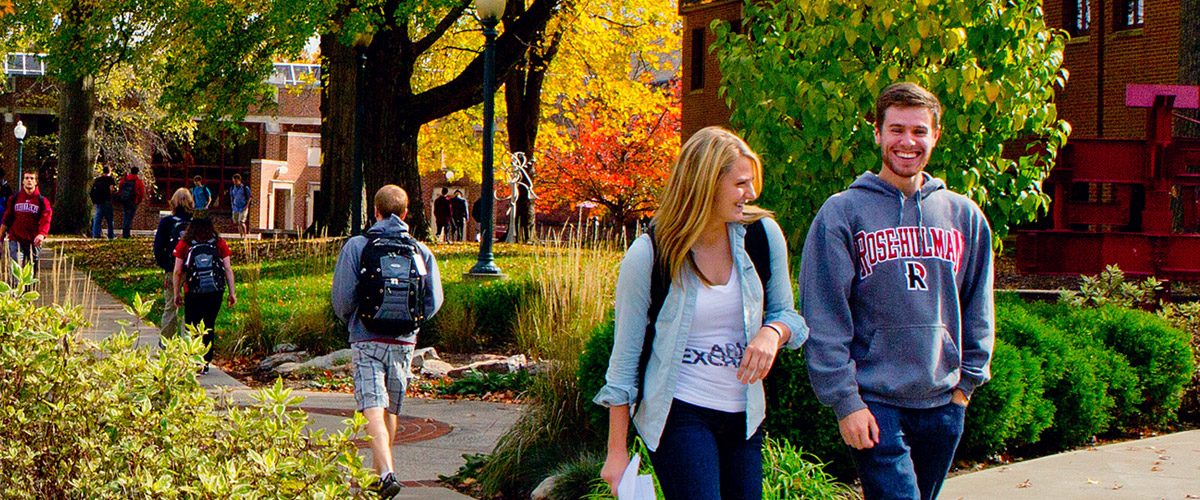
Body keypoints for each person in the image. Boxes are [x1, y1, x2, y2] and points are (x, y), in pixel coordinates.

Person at [799, 82, 995, 500]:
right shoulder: (843, 212)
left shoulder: (964, 215)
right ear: (877, 134)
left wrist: (966, 386)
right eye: (896, 129)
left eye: (919, 131)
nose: (908, 142)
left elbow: (978, 302)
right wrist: (845, 402)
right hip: (875, 401)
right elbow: (825, 312)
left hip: (943, 400)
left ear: (936, 136)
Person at [594, 127, 807, 500]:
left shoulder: (763, 236)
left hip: (744, 416)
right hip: (679, 414)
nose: (751, 194)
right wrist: (616, 452)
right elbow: (624, 360)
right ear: (706, 183)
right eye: (741, 183)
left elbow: (789, 316)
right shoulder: (650, 255)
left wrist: (771, 333)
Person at [332, 185, 443, 499]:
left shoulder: (357, 245)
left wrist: (353, 323)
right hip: (404, 344)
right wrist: (412, 326)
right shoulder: (420, 251)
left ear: (375, 212)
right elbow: (434, 299)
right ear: (406, 213)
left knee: (372, 409)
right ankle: (380, 473)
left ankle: (386, 473)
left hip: (367, 338)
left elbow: (342, 298)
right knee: (389, 410)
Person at [173, 216, 236, 375]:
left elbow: (177, 271)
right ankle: (206, 362)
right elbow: (228, 269)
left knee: (191, 325)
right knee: (208, 325)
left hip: (192, 290)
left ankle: (192, 360)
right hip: (215, 291)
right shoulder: (218, 242)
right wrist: (232, 292)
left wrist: (176, 293)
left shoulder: (186, 243)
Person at [154, 188, 194, 343]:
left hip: (172, 270)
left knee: (170, 307)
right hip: (193, 272)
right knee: (190, 309)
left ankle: (166, 344)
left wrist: (166, 265)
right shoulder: (195, 223)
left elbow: (158, 248)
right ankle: (187, 345)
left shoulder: (166, 223)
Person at [0, 170, 52, 276]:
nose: (29, 181)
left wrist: (42, 234)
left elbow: (46, 219)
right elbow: (6, 219)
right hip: (16, 240)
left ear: (36, 182)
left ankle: (29, 291)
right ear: (23, 181)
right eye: (27, 178)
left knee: (31, 273)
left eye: (32, 178)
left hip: (34, 241)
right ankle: (16, 292)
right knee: (16, 271)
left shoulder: (42, 201)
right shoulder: (14, 199)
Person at [118, 167, 146, 238]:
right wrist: (138, 201)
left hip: (125, 201)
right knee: (129, 218)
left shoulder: (124, 180)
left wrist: (122, 197)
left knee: (126, 216)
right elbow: (142, 192)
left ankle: (126, 233)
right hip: (134, 201)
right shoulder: (138, 181)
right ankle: (126, 235)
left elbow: (120, 189)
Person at [90, 165, 117, 239]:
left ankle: (95, 235)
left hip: (98, 202)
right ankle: (110, 235)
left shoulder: (98, 180)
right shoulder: (110, 179)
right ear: (110, 171)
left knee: (97, 219)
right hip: (106, 201)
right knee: (109, 219)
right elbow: (111, 189)